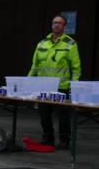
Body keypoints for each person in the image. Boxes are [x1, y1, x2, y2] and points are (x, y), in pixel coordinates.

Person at [28, 14, 81, 148]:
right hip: (43, 85)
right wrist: (28, 82)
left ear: (64, 26)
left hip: (61, 86)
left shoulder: (70, 44)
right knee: (44, 114)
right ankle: (48, 138)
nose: (56, 25)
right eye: (54, 23)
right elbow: (35, 65)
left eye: (59, 23)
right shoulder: (42, 43)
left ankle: (64, 141)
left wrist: (74, 85)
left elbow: (76, 67)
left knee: (63, 115)